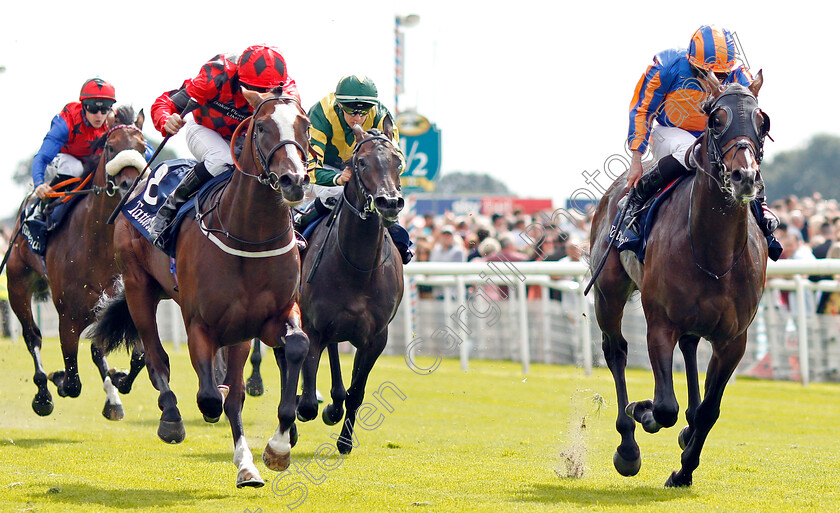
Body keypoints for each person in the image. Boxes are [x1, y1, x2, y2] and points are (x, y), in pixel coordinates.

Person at [623, 25, 778, 236]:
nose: (714, 79)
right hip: (669, 131)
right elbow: (642, 109)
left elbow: (747, 121)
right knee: (694, 150)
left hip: (712, 136)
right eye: (705, 73)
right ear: (692, 63)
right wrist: (636, 159)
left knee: (741, 152)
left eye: (722, 75)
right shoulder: (667, 66)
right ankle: (638, 197)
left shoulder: (739, 75)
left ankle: (760, 204)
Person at [148, 45, 300, 246]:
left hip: (244, 137)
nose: (260, 97)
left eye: (267, 91)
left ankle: (291, 225)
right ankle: (169, 210)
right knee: (221, 159)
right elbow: (165, 102)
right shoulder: (215, 75)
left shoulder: (287, 92)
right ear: (239, 78)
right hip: (204, 128)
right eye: (254, 89)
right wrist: (165, 119)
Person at [295, 75, 414, 264]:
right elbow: (310, 168)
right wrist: (338, 178)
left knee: (382, 194)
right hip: (328, 166)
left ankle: (397, 236)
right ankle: (300, 225)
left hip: (366, 166)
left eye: (363, 111)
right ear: (340, 105)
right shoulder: (321, 114)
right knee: (334, 194)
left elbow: (398, 159)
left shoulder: (381, 114)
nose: (357, 117)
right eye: (351, 111)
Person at [31, 78, 118, 213]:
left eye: (104, 109)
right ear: (84, 105)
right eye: (93, 109)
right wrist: (39, 183)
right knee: (74, 168)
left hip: (92, 164)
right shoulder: (66, 121)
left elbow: (142, 150)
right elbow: (42, 157)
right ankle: (42, 210)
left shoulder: (115, 122)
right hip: (64, 160)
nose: (99, 116)